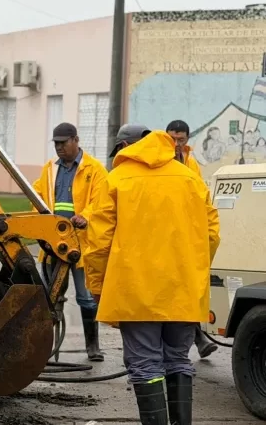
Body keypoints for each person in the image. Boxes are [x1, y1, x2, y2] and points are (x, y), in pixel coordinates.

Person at [84, 124, 220, 425]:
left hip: (136, 291)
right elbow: (211, 233)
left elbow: (98, 243)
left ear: (125, 147)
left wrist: (97, 284)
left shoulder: (117, 178)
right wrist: (192, 271)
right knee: (178, 359)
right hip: (182, 290)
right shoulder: (190, 179)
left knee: (145, 365)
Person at [32, 122, 108, 362]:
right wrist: (39, 221)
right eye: (56, 143)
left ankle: (92, 346)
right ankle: (48, 347)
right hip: (54, 243)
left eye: (63, 143)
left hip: (81, 245)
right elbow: (37, 196)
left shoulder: (94, 170)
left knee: (86, 297)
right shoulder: (50, 169)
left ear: (76, 140)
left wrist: (85, 216)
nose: (59, 148)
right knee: (51, 296)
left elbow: (102, 201)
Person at [166, 119, 219, 359]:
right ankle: (193, 340)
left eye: (181, 139)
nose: (177, 144)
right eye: (173, 139)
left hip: (186, 236)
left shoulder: (191, 164)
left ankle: (194, 338)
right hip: (166, 235)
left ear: (188, 139)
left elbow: (200, 200)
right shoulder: (158, 162)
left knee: (187, 290)